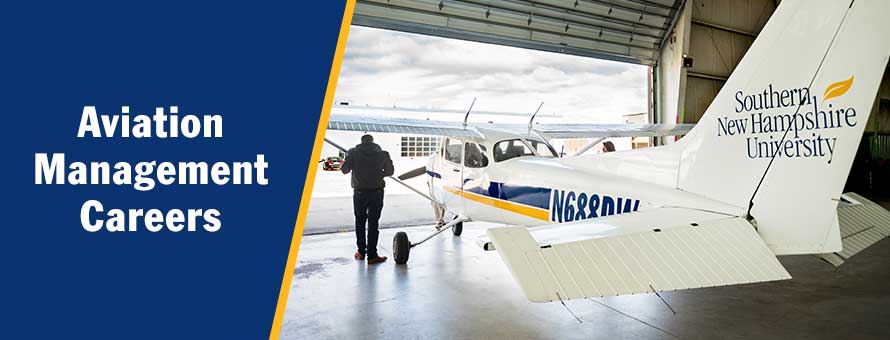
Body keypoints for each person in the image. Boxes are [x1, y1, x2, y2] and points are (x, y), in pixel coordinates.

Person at [340, 134, 394, 264]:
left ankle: (360, 252)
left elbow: (344, 170)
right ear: (373, 142)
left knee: (360, 221)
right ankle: (372, 255)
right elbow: (390, 171)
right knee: (373, 223)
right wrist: (378, 173)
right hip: (377, 192)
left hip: (359, 193)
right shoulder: (383, 154)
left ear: (361, 142)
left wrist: (345, 160)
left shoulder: (353, 152)